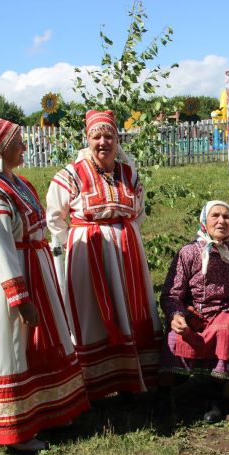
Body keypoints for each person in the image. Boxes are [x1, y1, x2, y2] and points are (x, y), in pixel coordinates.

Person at [0, 117, 89, 454]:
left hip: (36, 269)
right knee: (14, 347)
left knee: (41, 344)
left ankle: (48, 411)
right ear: (1, 149)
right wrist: (18, 296)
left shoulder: (20, 183)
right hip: (12, 277)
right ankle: (15, 432)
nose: (25, 148)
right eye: (18, 143)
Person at [46, 110, 162, 401]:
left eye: (108, 135)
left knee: (131, 309)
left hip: (127, 253)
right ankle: (95, 385)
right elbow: (54, 218)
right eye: (96, 136)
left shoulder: (129, 173)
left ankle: (132, 380)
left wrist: (123, 236)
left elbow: (139, 212)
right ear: (87, 139)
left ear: (117, 139)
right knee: (92, 315)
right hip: (88, 255)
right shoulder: (70, 175)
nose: (103, 142)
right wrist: (77, 242)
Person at [157, 201, 229, 423]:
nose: (221, 221)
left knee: (225, 333)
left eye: (226, 217)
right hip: (193, 312)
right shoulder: (188, 253)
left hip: (223, 310)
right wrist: (176, 315)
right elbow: (171, 293)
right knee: (176, 338)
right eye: (215, 216)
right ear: (204, 220)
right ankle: (165, 398)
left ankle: (215, 398)